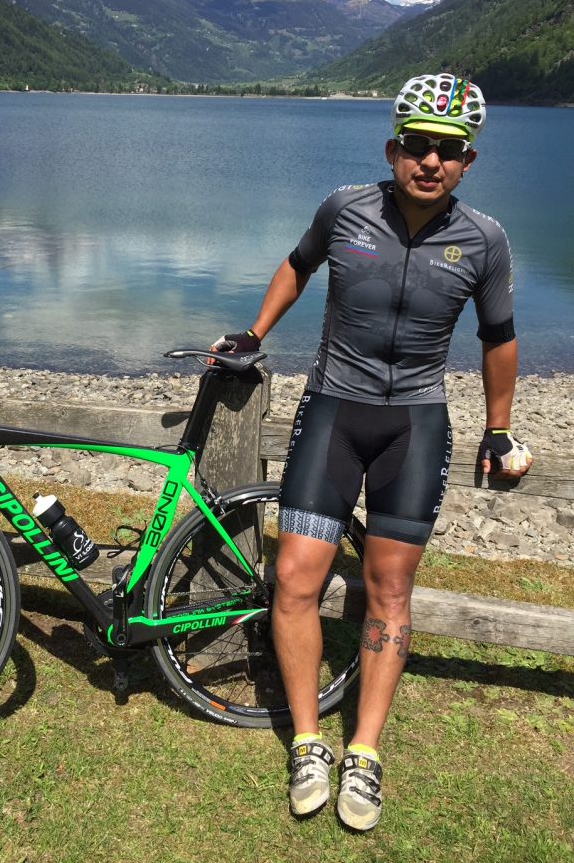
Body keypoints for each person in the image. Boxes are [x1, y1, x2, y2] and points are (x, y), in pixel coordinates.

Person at [210, 73, 532, 831]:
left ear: (468, 162)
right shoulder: (344, 208)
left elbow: (499, 338)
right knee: (295, 577)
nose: (431, 161)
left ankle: (364, 751)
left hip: (414, 426)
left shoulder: (483, 239)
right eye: (417, 145)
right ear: (392, 150)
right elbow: (297, 265)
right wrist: (253, 335)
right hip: (333, 411)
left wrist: (499, 427)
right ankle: (308, 742)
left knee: (389, 591)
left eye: (448, 151)